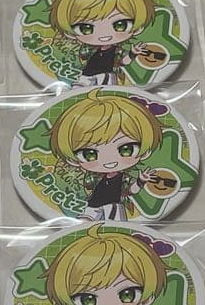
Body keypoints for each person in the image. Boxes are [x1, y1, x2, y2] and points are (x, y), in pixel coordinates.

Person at [49, 89, 162, 220]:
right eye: (89, 154)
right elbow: (87, 185)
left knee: (115, 226)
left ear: (145, 151)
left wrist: (141, 181)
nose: (109, 160)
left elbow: (131, 191)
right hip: (92, 205)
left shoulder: (124, 178)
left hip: (113, 206)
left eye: (126, 149)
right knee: (84, 221)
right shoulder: (94, 176)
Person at [48, 0, 155, 85]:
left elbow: (122, 62)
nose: (104, 34)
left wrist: (132, 53)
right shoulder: (88, 49)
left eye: (120, 25)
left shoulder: (117, 50)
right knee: (77, 89)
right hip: (86, 74)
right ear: (70, 33)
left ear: (138, 28)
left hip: (106, 75)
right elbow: (79, 57)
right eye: (86, 28)